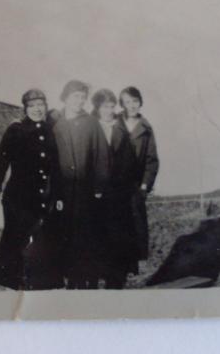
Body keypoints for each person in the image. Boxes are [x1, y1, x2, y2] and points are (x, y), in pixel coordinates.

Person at [0, 89, 64, 290]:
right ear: (26, 108)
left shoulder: (50, 131)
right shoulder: (16, 129)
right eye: (33, 106)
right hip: (18, 197)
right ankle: (11, 285)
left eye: (41, 105)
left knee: (42, 242)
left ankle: (38, 285)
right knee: (15, 240)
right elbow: (2, 159)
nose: (38, 109)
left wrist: (57, 194)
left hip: (43, 197)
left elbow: (55, 166)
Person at [49, 79, 110, 289]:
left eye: (83, 98)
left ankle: (87, 281)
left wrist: (99, 187)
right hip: (63, 192)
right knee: (65, 235)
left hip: (86, 191)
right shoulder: (56, 125)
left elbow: (102, 155)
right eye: (76, 96)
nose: (80, 101)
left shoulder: (91, 123)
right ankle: (68, 279)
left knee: (86, 236)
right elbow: (50, 161)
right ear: (65, 97)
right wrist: (53, 193)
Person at [91, 88, 140, 289]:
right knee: (96, 240)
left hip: (118, 195)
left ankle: (115, 283)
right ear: (97, 107)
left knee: (117, 240)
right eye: (105, 106)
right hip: (93, 195)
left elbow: (129, 162)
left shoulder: (121, 129)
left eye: (112, 106)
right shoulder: (90, 127)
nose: (109, 111)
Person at [119, 86, 160, 263]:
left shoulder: (146, 128)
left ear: (140, 102)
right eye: (127, 102)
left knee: (136, 223)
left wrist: (145, 186)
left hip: (135, 184)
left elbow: (152, 160)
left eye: (135, 101)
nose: (132, 105)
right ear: (122, 104)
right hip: (115, 182)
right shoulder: (115, 122)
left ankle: (135, 263)